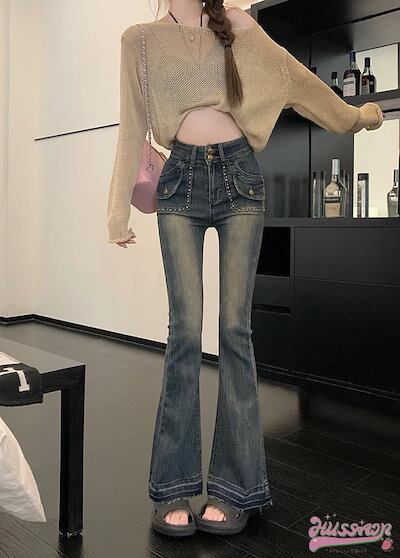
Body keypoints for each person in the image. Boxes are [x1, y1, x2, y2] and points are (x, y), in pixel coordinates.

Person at [107, 0, 384, 537]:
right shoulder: (138, 40)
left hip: (239, 178)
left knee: (235, 330)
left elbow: (296, 80)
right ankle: (174, 487)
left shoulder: (236, 23)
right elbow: (132, 124)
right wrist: (118, 210)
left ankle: (237, 488)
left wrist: (354, 118)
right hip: (179, 184)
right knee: (184, 332)